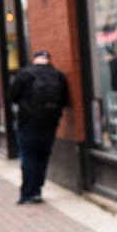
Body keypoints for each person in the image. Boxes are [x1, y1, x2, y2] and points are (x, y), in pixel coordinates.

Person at [7, 50, 69, 205]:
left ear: (34, 60)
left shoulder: (24, 74)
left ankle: (26, 194)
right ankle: (37, 192)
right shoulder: (59, 76)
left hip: (27, 123)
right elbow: (64, 101)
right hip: (50, 123)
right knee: (42, 156)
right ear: (48, 60)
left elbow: (11, 96)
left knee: (28, 156)